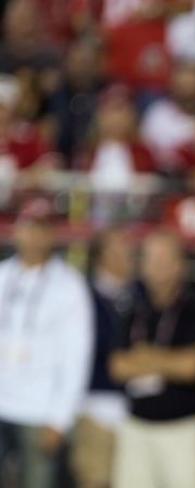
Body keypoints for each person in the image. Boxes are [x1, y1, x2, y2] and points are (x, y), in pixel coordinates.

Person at [109, 229, 195, 488]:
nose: (157, 267)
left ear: (179, 265)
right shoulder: (131, 306)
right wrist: (170, 362)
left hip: (182, 429)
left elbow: (193, 367)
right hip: (137, 427)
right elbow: (118, 367)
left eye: (164, 259)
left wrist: (147, 357)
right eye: (151, 259)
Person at [0, 197, 93, 488]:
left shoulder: (69, 285)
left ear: (53, 234)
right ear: (16, 230)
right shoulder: (3, 275)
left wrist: (60, 418)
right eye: (28, 227)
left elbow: (77, 355)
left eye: (42, 228)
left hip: (40, 410)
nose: (34, 236)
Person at [71, 227, 134, 488]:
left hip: (135, 410)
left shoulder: (137, 294)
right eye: (118, 248)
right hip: (95, 405)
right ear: (101, 256)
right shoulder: (81, 296)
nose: (127, 254)